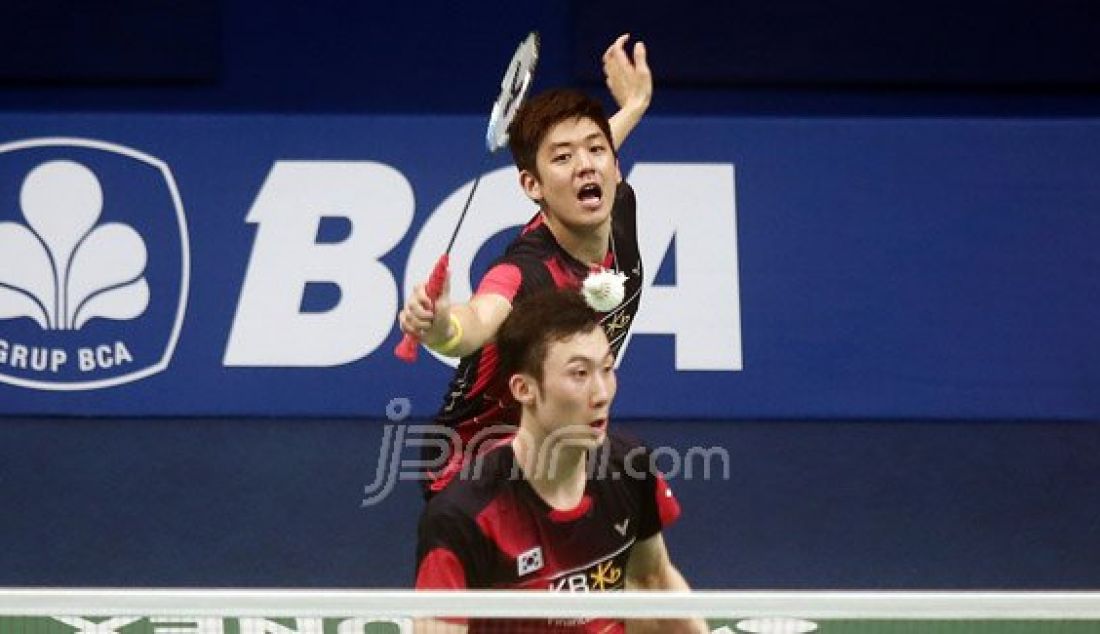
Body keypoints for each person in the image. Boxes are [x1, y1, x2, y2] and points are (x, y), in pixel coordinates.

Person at [398, 34, 653, 496]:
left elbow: (585, 156)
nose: (585, 167)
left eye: (597, 151)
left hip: (560, 452)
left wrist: (633, 105)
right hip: (477, 470)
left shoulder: (616, 203)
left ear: (615, 168)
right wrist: (437, 325)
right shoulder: (524, 274)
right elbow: (473, 323)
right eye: (562, 158)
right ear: (531, 185)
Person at [414, 290, 708, 634]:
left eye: (607, 369)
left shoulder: (629, 467)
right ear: (524, 389)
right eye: (580, 374)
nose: (602, 393)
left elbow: (652, 579)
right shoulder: (462, 517)